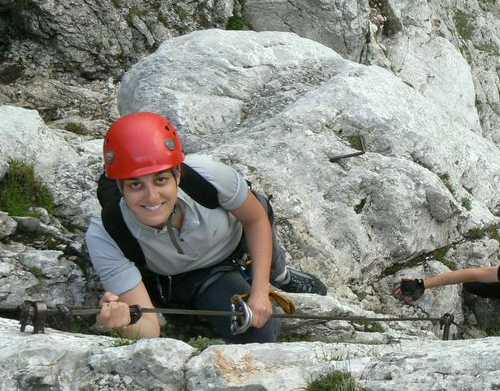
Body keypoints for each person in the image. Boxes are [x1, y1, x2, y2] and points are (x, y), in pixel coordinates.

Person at [85, 111, 327, 343]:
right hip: (198, 276)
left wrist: (261, 291)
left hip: (238, 239)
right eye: (136, 185)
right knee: (259, 331)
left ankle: (280, 275)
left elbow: (255, 220)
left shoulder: (208, 176)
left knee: (259, 209)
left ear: (178, 175)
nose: (152, 197)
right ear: (120, 188)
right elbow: (148, 329)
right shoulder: (107, 233)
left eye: (160, 180)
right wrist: (123, 323)